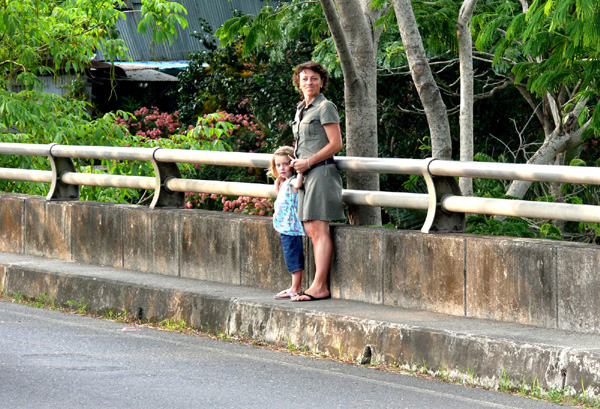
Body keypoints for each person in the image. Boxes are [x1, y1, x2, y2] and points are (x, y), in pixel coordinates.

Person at [289, 61, 344, 302]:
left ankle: (319, 286)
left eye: (314, 78)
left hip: (321, 173)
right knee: (311, 230)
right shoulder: (301, 108)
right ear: (298, 83)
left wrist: (309, 162)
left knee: (319, 231)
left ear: (322, 82)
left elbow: (336, 144)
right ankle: (315, 284)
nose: (309, 82)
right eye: (304, 78)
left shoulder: (325, 107)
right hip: (305, 176)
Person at [269, 146, 305, 299]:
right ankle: (293, 287)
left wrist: (300, 171)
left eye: (285, 164)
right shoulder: (284, 183)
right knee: (290, 257)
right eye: (278, 165)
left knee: (293, 257)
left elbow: (298, 185)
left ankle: (296, 288)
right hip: (285, 228)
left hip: (291, 228)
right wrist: (279, 180)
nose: (282, 168)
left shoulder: (292, 182)